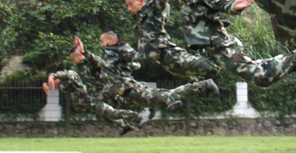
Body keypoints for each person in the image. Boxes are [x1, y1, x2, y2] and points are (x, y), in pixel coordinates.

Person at [162, 0, 296, 87]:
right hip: (208, 51)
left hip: (220, 47)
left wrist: (233, 6)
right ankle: (294, 61)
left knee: (261, 78)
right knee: (253, 69)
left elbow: (223, 4)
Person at [125, 0, 221, 80]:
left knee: (213, 68)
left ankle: (212, 32)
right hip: (163, 61)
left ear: (141, 2)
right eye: (127, 5)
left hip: (170, 55)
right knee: (197, 80)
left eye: (130, 4)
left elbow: (160, 2)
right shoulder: (139, 22)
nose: (128, 8)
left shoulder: (152, 11)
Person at [76, 35, 220, 115]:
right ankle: (161, 105)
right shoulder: (109, 56)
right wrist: (84, 52)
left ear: (111, 40)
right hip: (127, 95)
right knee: (156, 100)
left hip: (134, 91)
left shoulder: (120, 49)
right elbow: (100, 63)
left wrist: (138, 60)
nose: (101, 45)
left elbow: (136, 57)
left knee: (168, 96)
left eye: (102, 41)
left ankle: (204, 84)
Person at [44, 44, 145, 135]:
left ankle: (138, 117)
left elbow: (72, 73)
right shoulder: (76, 72)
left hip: (104, 93)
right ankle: (126, 126)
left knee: (113, 112)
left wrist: (54, 75)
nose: (73, 62)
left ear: (79, 55)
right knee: (106, 117)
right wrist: (45, 83)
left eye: (73, 59)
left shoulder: (88, 64)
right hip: (96, 98)